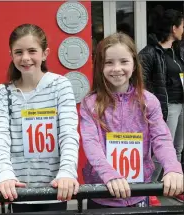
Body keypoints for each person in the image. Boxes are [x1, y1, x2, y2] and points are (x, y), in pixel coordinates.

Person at [81, 32, 184, 209]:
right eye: (109, 62)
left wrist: (173, 168)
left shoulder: (149, 101)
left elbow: (161, 138)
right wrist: (110, 175)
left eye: (124, 61)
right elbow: (91, 142)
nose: (116, 68)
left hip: (138, 191)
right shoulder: (91, 103)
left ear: (135, 65)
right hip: (102, 192)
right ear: (100, 66)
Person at [0, 23, 80, 213]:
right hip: (18, 191)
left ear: (45, 53)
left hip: (55, 189)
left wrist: (67, 172)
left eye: (32, 51)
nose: (25, 58)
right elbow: (0, 138)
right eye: (18, 52)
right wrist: (5, 174)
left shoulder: (60, 86)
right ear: (11, 55)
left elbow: (68, 133)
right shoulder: (2, 92)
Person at [139, 9, 184, 204]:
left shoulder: (178, 50)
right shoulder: (150, 52)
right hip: (167, 107)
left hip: (181, 104)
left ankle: (174, 185)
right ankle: (149, 188)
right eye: (182, 26)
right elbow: (141, 82)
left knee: (178, 148)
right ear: (173, 28)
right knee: (160, 150)